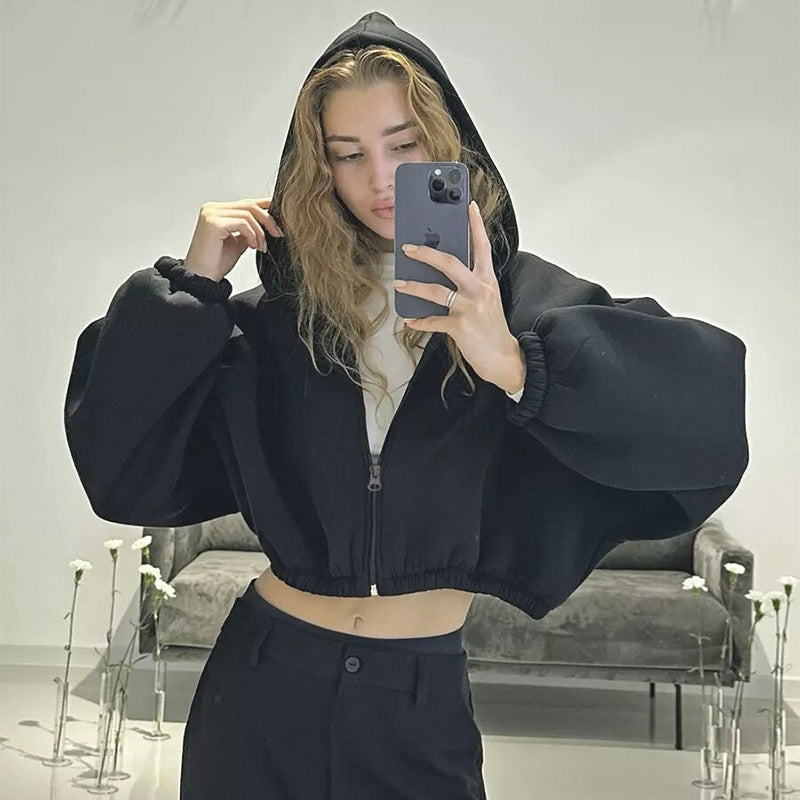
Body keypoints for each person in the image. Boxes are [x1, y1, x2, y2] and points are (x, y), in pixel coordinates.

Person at [63, 11, 749, 800]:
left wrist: (517, 366)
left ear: (447, 143)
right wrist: (190, 292)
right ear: (317, 167)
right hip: (261, 687)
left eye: (404, 145)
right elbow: (117, 462)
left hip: (417, 703)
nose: (380, 178)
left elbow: (706, 424)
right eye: (347, 154)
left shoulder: (522, 311)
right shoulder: (277, 321)